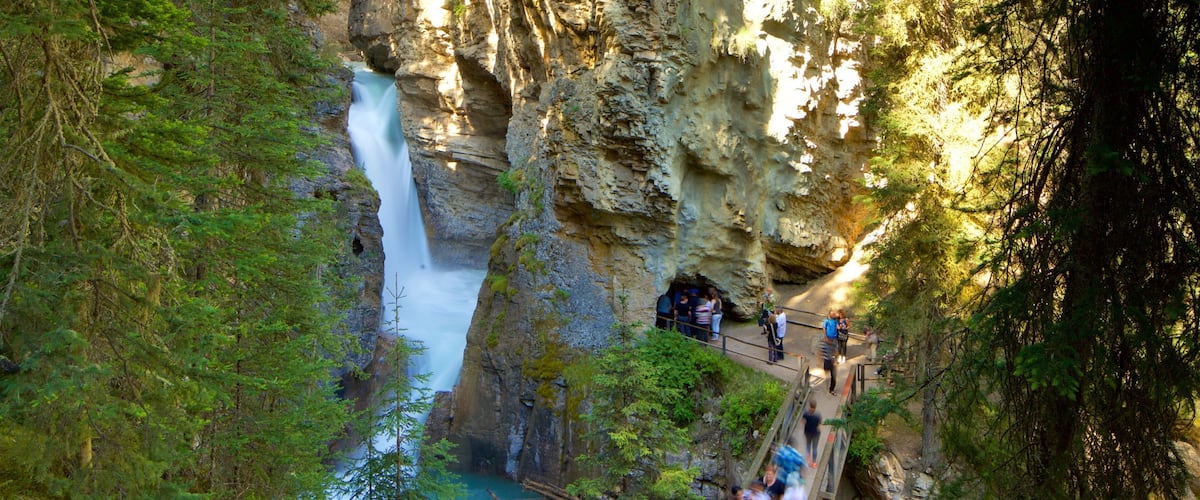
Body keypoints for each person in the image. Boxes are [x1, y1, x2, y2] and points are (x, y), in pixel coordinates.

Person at [801, 400, 822, 466]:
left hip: (807, 432)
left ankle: (807, 460)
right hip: (816, 433)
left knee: (808, 445)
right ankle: (814, 462)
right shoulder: (818, 415)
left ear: (809, 405)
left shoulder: (806, 413)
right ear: (815, 407)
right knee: (815, 447)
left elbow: (803, 422)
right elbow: (819, 425)